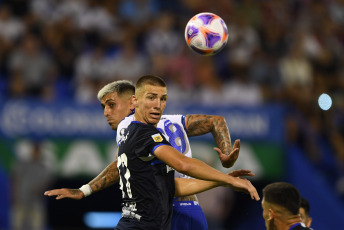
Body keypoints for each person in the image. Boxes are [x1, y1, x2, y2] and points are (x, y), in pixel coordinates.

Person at [44, 78, 252, 229]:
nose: (106, 112)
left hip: (163, 212)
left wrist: (85, 190)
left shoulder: (129, 127)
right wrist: (225, 158)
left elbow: (179, 166)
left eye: (111, 105)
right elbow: (216, 121)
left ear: (132, 103)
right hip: (191, 208)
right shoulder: (174, 120)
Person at [114, 75, 259, 229]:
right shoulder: (137, 131)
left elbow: (172, 184)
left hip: (170, 210)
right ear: (134, 101)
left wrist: (225, 165)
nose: (158, 104)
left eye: (163, 99)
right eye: (151, 97)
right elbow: (182, 166)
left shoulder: (137, 129)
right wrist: (227, 180)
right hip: (155, 213)